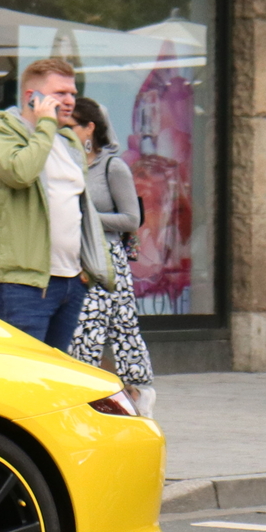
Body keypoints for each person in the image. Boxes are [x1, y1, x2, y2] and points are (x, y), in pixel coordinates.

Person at [0, 56, 113, 349]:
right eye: (59, 94)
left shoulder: (69, 140)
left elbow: (77, 207)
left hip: (70, 281)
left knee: (56, 377)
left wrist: (83, 272)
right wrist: (46, 125)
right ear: (32, 97)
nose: (69, 101)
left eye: (73, 93)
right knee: (24, 378)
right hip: (24, 282)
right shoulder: (1, 131)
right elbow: (20, 173)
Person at [65, 94, 156, 413]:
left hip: (106, 260)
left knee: (110, 329)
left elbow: (131, 219)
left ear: (90, 129)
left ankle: (137, 396)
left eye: (70, 126)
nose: (63, 131)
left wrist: (85, 215)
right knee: (92, 331)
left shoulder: (113, 167)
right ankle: (90, 400)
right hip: (74, 258)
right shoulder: (65, 161)